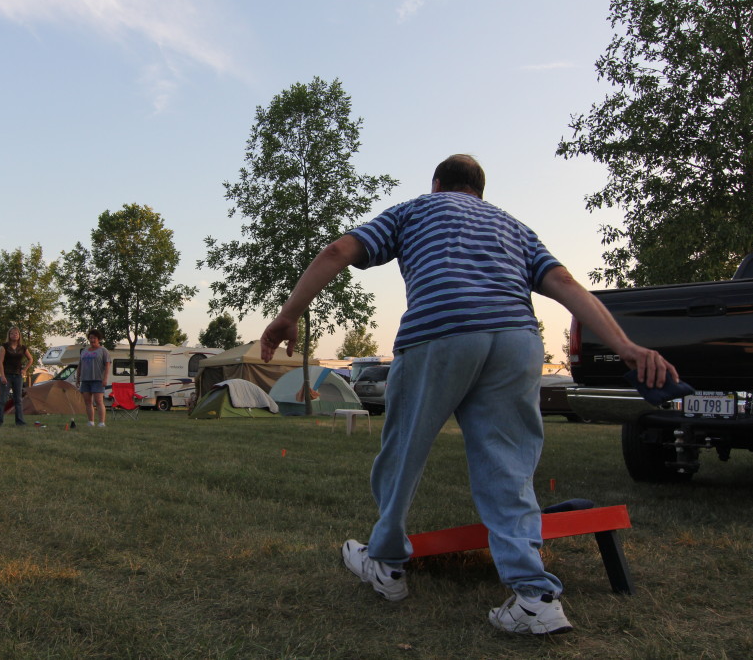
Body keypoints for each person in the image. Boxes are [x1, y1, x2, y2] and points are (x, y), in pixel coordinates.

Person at [259, 154, 679, 636]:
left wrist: (289, 314)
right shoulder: (512, 225)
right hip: (517, 339)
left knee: (404, 450)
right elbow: (562, 282)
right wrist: (623, 344)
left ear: (437, 184)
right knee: (508, 464)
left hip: (442, 331)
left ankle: (387, 564)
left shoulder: (416, 209)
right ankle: (533, 596)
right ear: (480, 190)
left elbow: (337, 251)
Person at [0, 327, 34, 427]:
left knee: (18, 399)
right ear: (9, 335)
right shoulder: (4, 347)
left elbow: (31, 359)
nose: (14, 335)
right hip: (6, 375)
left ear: (19, 336)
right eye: (12, 333)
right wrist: (2, 376)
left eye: (16, 333)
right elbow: (0, 362)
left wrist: (24, 370)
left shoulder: (23, 348)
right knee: (2, 399)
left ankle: (20, 422)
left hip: (18, 376)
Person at [76, 329, 111, 427]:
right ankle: (91, 421)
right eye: (90, 338)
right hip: (86, 380)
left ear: (98, 339)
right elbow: (80, 365)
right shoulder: (84, 351)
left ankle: (101, 422)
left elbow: (107, 365)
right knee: (88, 402)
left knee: (99, 401)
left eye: (94, 338)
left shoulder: (103, 350)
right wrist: (78, 378)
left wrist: (105, 379)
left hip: (98, 379)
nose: (92, 340)